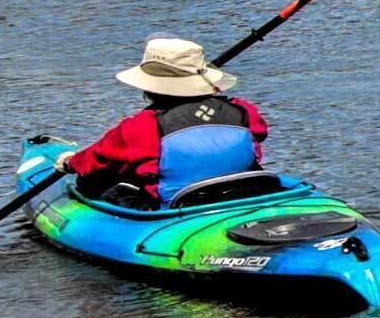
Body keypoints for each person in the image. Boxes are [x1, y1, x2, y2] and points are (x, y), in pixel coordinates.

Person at [62, 37, 271, 205]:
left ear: (149, 87)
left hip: (180, 203)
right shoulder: (243, 110)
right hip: (242, 191)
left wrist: (70, 163)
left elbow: (98, 159)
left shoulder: (140, 126)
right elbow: (259, 134)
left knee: (90, 182)